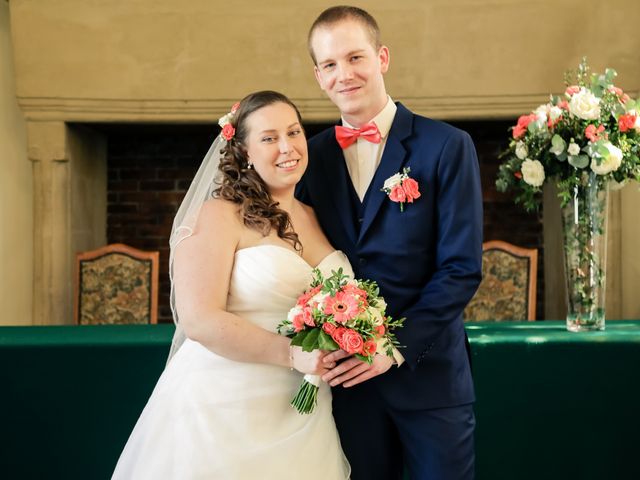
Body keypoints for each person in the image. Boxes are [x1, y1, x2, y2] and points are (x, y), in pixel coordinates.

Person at [112, 91, 351, 479]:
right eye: (269, 138)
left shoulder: (316, 215)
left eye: (294, 132)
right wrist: (293, 355)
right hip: (223, 408)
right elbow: (200, 319)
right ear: (243, 151)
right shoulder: (219, 215)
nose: (287, 147)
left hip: (303, 409)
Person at [298, 6, 483, 480]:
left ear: (382, 58)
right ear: (318, 76)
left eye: (355, 57)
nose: (345, 74)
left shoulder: (447, 146)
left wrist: (393, 347)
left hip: (430, 381)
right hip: (346, 387)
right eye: (331, 64)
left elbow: (460, 268)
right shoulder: (308, 158)